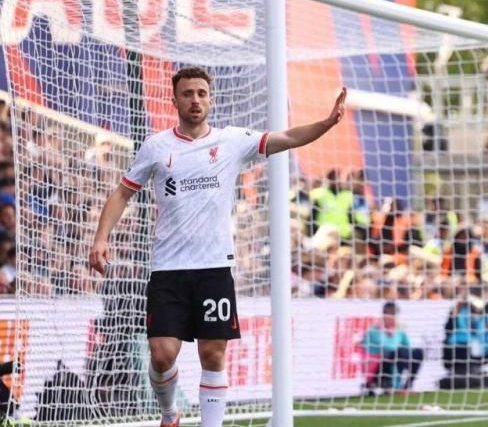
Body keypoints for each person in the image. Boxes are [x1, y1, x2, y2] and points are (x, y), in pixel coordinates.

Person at [88, 66, 347, 427]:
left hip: (214, 267)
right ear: (175, 98)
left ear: (210, 98)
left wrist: (326, 123)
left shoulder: (232, 141)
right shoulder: (156, 146)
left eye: (201, 93)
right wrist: (101, 238)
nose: (195, 100)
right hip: (168, 269)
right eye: (188, 93)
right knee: (162, 355)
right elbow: (122, 192)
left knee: (213, 354)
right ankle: (169, 414)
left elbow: (286, 137)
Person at [360, 301, 423, 394]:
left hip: (396, 359)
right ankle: (387, 385)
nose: (393, 318)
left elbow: (407, 346)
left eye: (394, 315)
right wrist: (392, 334)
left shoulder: (399, 331)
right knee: (399, 352)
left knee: (418, 352)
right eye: (390, 315)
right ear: (384, 315)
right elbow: (385, 348)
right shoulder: (374, 330)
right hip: (378, 366)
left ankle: (407, 386)